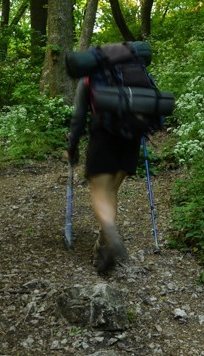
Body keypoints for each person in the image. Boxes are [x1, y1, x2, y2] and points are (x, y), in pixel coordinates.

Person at [65, 77, 140, 273]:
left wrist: (72, 148)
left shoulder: (88, 81)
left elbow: (79, 118)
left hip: (103, 139)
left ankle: (107, 238)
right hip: (131, 140)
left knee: (100, 192)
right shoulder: (135, 75)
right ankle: (105, 239)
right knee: (112, 191)